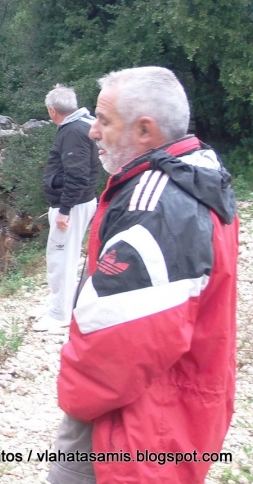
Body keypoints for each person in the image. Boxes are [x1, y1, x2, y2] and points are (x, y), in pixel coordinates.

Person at [49, 66, 239, 484]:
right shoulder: (197, 175)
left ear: (145, 130)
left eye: (104, 120)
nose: (93, 132)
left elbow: (123, 341)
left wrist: (73, 396)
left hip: (137, 429)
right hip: (177, 411)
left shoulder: (156, 206)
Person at [35, 85, 102, 332]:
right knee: (64, 255)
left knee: (61, 257)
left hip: (73, 205)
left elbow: (77, 174)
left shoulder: (73, 131)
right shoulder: (86, 123)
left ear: (52, 110)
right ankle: (60, 303)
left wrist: (64, 210)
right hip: (80, 201)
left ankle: (59, 314)